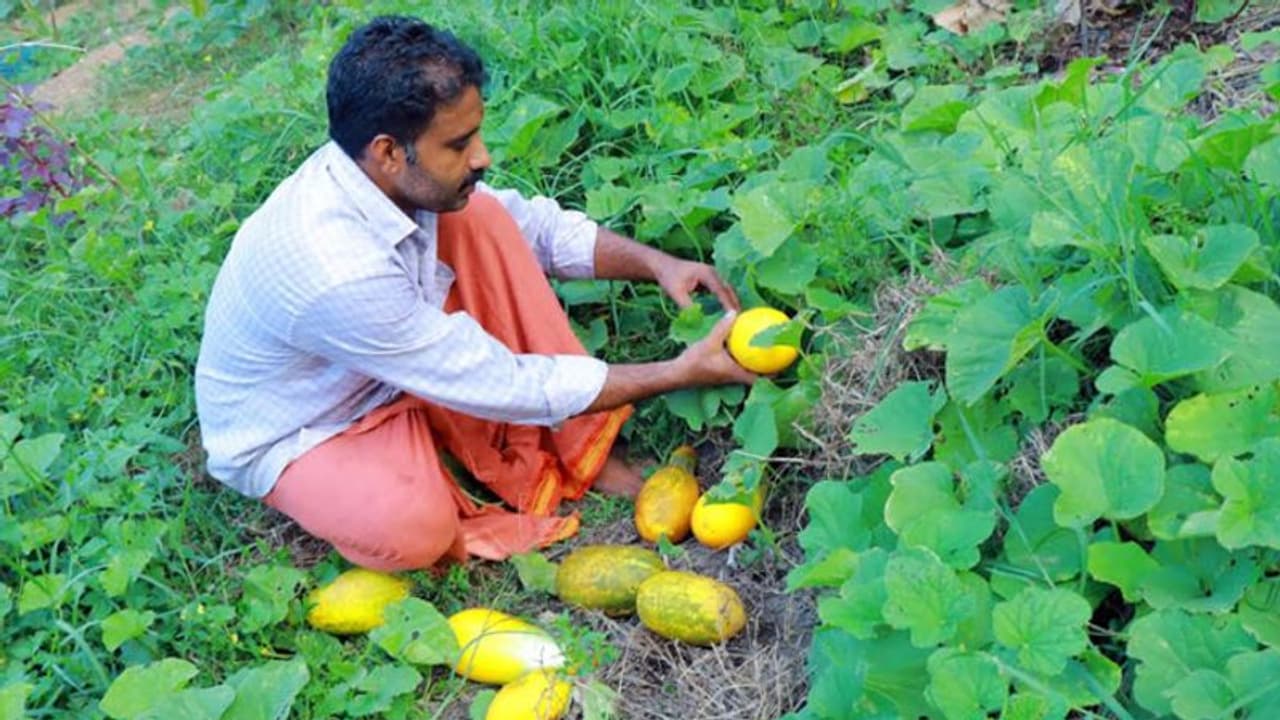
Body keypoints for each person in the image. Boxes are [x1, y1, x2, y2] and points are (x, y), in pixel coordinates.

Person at [193, 15, 755, 572]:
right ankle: (437, 468)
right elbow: (500, 381)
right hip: (306, 426)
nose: (482, 155)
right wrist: (677, 373)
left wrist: (657, 264)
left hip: (379, 359)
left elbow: (533, 228)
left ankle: (569, 449)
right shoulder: (335, 268)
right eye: (459, 144)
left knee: (481, 216)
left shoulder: (382, 179)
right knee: (411, 529)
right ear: (388, 152)